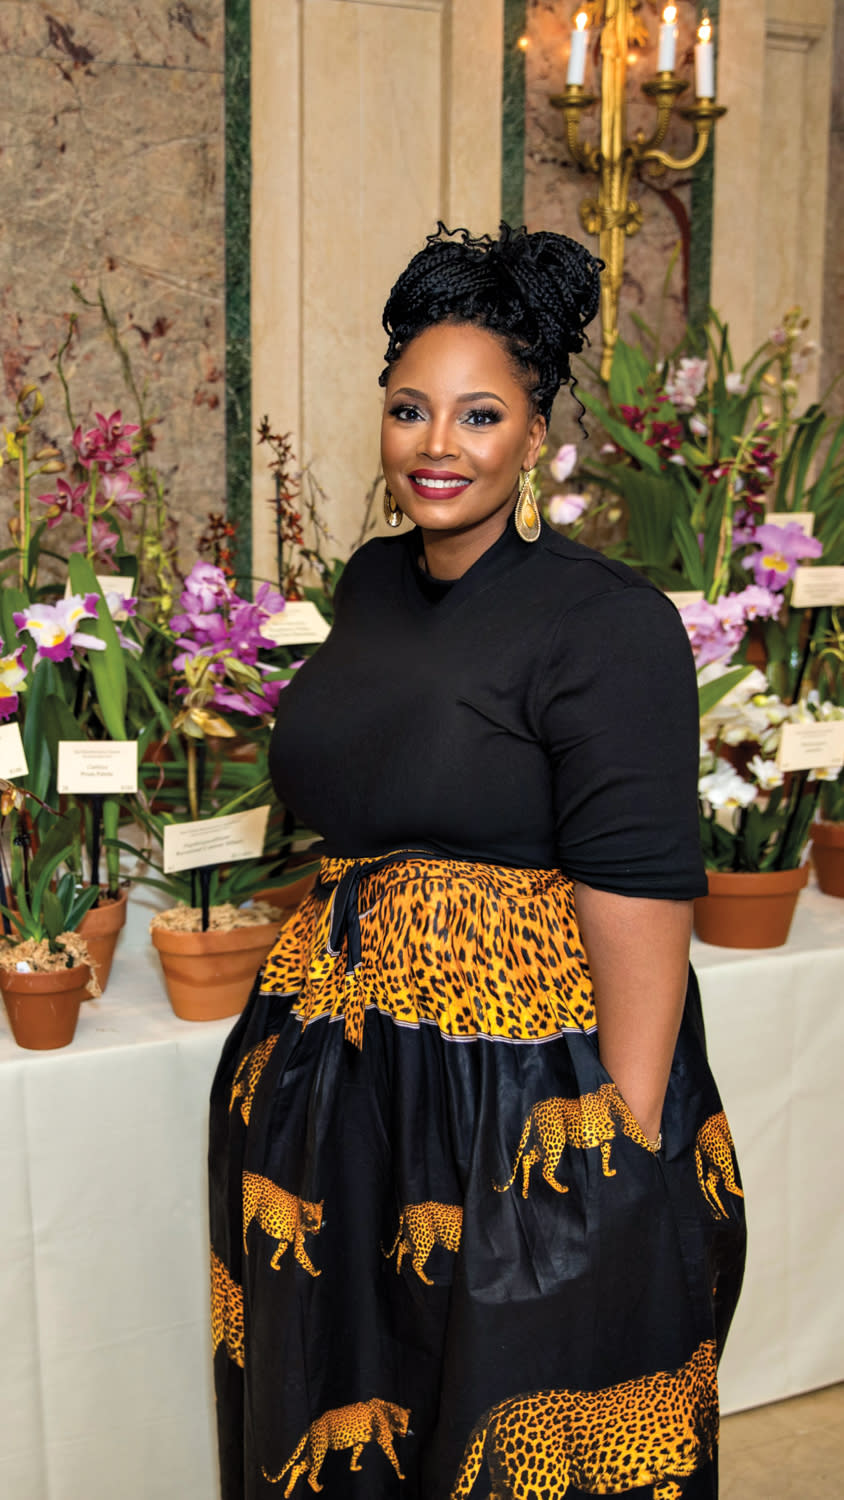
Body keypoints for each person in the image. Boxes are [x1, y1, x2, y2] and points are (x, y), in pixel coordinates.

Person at [208, 223, 746, 1500]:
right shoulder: (373, 583)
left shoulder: (603, 623)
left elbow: (641, 882)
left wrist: (617, 1146)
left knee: (516, 1431)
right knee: (339, 1400)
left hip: (511, 1089)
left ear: (534, 437)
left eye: (478, 414)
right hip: (337, 1085)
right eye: (410, 410)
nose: (436, 444)